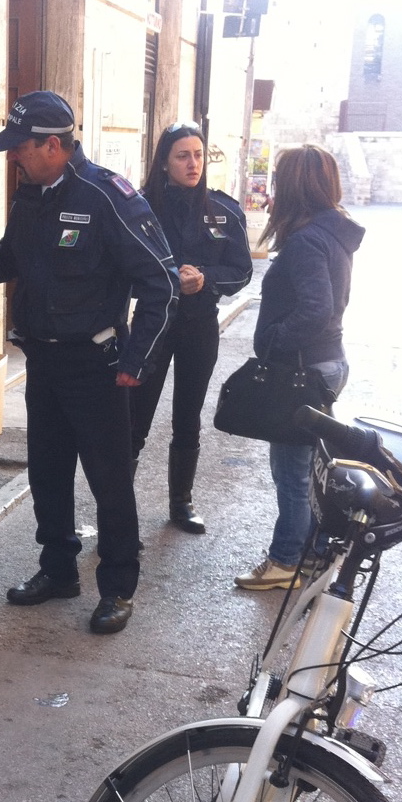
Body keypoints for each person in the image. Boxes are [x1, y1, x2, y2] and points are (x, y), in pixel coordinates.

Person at [0, 91, 179, 634]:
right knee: (48, 474)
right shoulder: (30, 196)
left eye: (20, 147)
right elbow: (8, 258)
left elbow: (161, 282)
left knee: (110, 482)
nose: (13, 156)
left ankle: (118, 588)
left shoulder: (106, 195)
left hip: (98, 367)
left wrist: (137, 359)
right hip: (43, 362)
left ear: (52, 145)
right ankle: (58, 570)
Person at [235, 144, 364, 591]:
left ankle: (285, 560)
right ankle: (310, 552)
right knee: (309, 469)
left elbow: (316, 309)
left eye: (278, 179)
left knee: (291, 472)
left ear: (294, 187)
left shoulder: (308, 240)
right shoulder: (331, 232)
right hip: (326, 363)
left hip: (304, 370)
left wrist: (273, 341)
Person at [131, 121, 252, 533]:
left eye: (198, 155)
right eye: (183, 155)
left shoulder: (222, 210)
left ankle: (181, 503)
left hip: (199, 324)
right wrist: (167, 280)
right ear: (164, 162)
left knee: (188, 415)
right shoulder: (139, 208)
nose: (193, 163)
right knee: (135, 417)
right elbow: (119, 267)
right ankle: (118, 509)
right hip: (153, 324)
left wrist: (206, 278)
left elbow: (242, 269)